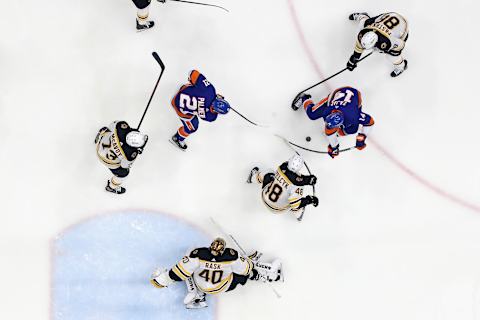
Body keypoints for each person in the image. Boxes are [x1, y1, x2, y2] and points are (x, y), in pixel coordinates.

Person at [150, 238, 282, 309]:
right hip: (220, 286)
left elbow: (177, 273)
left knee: (186, 268)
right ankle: (269, 276)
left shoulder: (198, 254)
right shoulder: (231, 257)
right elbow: (246, 269)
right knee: (243, 274)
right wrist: (247, 262)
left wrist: (162, 280)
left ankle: (197, 293)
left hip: (200, 283)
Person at [292, 87, 374, 158]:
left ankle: (340, 131)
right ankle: (304, 98)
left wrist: (362, 136)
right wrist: (334, 147)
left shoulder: (353, 116)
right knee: (312, 114)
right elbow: (329, 133)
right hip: (337, 94)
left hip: (355, 96)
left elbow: (370, 122)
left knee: (352, 129)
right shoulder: (327, 110)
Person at [169, 70, 230, 151]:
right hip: (178, 107)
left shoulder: (210, 90)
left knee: (197, 88)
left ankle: (189, 89)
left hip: (182, 90)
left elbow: (192, 72)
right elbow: (207, 113)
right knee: (192, 128)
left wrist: (193, 82)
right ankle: (177, 138)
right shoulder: (211, 117)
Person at [247, 154, 318, 217]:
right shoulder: (298, 186)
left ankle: (252, 178)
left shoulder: (281, 168)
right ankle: (298, 215)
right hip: (279, 209)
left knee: (269, 173)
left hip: (264, 197)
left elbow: (293, 177)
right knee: (296, 201)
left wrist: (307, 180)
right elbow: (297, 181)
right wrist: (310, 199)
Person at [347, 12, 409, 77]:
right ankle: (362, 16)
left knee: (391, 57)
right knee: (365, 23)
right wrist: (354, 59)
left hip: (403, 25)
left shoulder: (387, 42)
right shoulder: (362, 32)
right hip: (390, 15)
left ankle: (401, 67)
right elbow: (359, 45)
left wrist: (390, 51)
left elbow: (401, 45)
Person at [95, 121, 147, 194]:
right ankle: (111, 187)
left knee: (107, 132)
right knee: (123, 174)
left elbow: (112, 125)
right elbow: (125, 165)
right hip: (108, 162)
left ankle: (101, 134)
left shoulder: (121, 125)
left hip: (99, 148)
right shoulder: (131, 154)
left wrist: (130, 130)